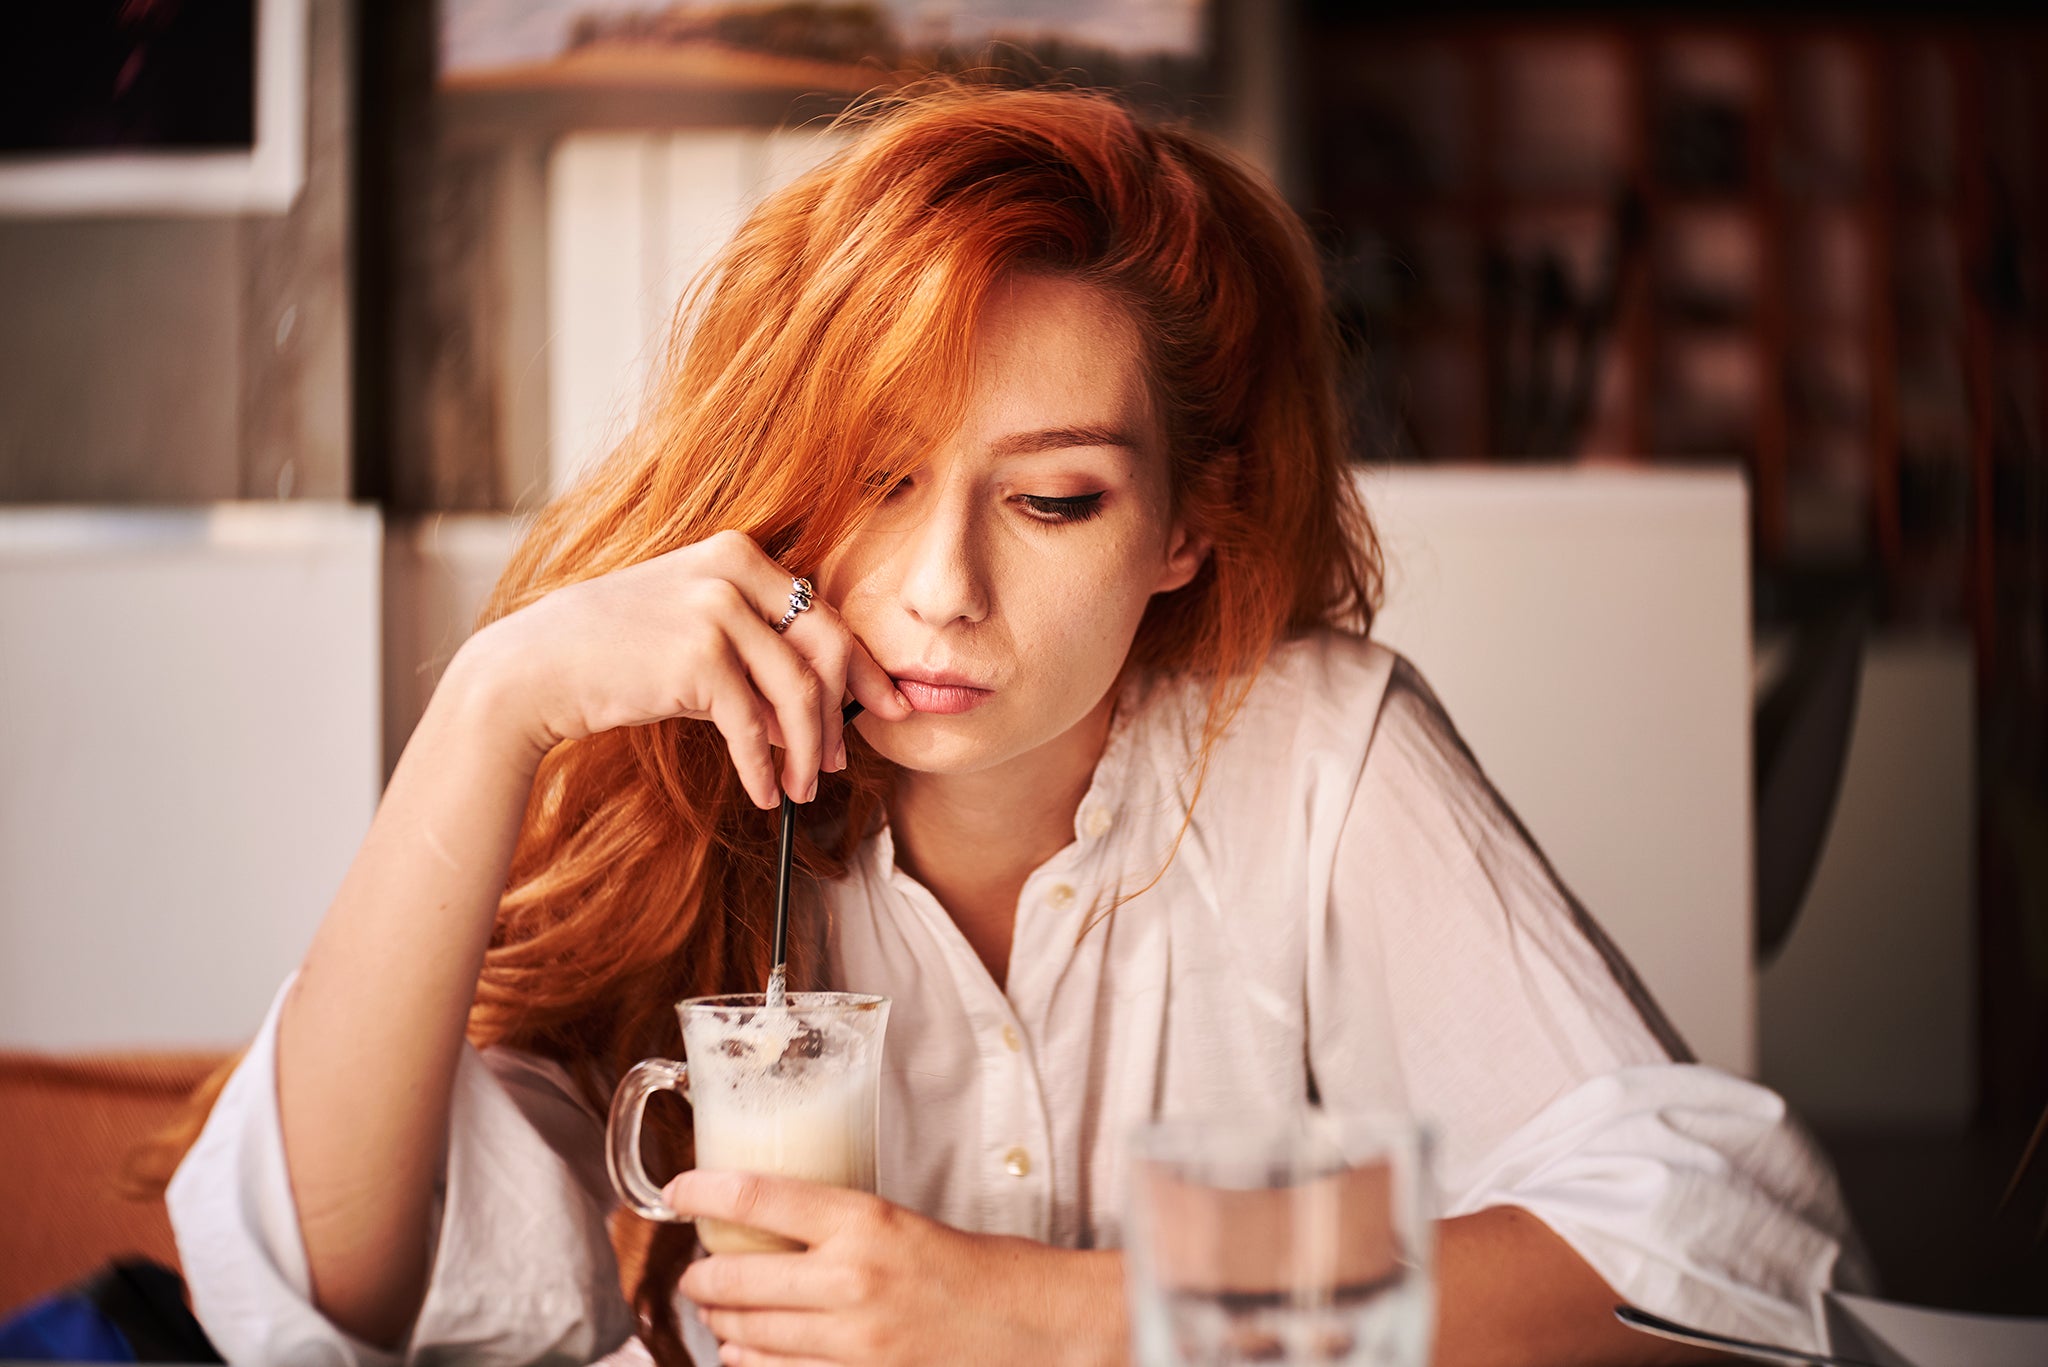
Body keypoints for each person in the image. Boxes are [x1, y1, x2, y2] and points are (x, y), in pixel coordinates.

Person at [154, 82, 1867, 1366]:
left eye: (1049, 500)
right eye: (876, 480)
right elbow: (307, 1297)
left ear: (1186, 525)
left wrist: (1066, 1314)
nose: (941, 589)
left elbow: (1713, 1241)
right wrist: (492, 697)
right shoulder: (686, 778)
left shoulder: (1311, 755)